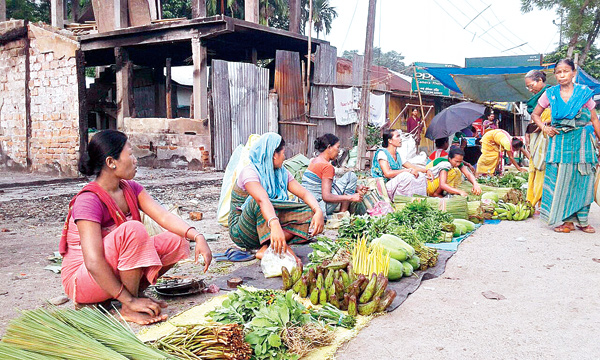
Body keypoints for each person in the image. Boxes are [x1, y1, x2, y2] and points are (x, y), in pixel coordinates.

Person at [60, 130, 212, 325]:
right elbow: (92, 261)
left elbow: (164, 216)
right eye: (130, 154)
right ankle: (128, 305)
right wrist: (129, 301)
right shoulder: (88, 200)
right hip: (83, 280)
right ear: (111, 162)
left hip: (107, 272)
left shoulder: (131, 188)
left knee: (176, 241)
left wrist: (197, 236)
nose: (135, 160)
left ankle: (129, 296)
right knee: (133, 230)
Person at [228, 132, 324, 262]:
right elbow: (262, 200)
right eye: (283, 153)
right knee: (257, 202)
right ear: (274, 155)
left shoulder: (281, 172)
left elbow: (304, 193)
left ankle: (268, 248)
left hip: (270, 224)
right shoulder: (249, 172)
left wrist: (318, 211)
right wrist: (275, 224)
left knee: (308, 210)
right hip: (244, 231)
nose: (284, 157)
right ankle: (279, 248)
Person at [531, 59, 600, 233]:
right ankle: (567, 222)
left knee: (583, 180)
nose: (562, 75)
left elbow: (594, 119)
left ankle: (583, 221)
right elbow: (535, 114)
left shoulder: (584, 93)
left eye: (566, 71)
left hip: (582, 142)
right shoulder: (550, 93)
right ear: (555, 75)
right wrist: (545, 128)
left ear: (573, 73)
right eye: (558, 72)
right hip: (559, 142)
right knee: (560, 180)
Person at [302, 134, 368, 216]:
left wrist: (355, 188)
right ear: (329, 147)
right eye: (337, 147)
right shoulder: (327, 166)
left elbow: (327, 185)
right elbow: (326, 196)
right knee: (352, 176)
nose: (339, 151)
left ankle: (342, 213)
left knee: (350, 177)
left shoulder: (315, 161)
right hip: (320, 207)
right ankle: (342, 214)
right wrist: (351, 197)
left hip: (308, 205)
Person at [371, 129, 432, 199]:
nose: (400, 139)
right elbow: (387, 173)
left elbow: (412, 167)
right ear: (390, 140)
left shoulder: (398, 155)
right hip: (383, 186)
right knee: (406, 176)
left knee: (420, 176)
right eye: (397, 136)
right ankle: (399, 199)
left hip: (394, 185)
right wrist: (407, 171)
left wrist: (427, 171)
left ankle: (418, 199)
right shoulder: (382, 153)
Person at [524, 70, 552, 211]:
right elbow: (533, 118)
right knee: (534, 168)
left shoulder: (552, 94)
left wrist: (544, 124)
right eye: (527, 87)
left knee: (542, 167)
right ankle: (532, 200)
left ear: (540, 80)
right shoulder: (536, 100)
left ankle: (541, 201)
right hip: (535, 138)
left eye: (531, 85)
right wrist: (528, 136)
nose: (530, 89)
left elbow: (557, 116)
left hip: (547, 137)